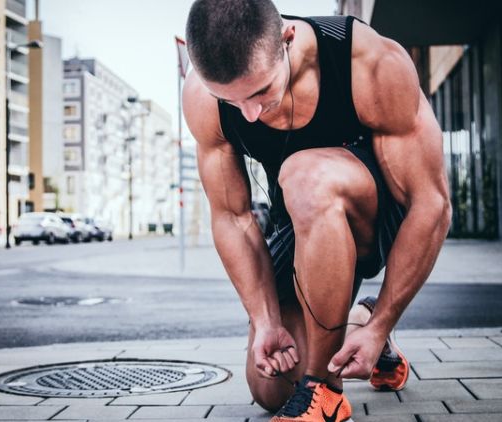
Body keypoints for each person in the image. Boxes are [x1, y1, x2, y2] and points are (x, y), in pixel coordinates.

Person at [182, 1, 452, 421]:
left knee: (305, 174)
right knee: (271, 386)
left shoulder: (368, 61)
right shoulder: (202, 97)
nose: (249, 113)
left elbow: (431, 203)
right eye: (231, 101)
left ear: (287, 40)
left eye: (259, 92)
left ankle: (325, 392)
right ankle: (357, 327)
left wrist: (385, 318)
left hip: (375, 216)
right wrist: (265, 320)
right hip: (300, 223)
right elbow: (232, 217)